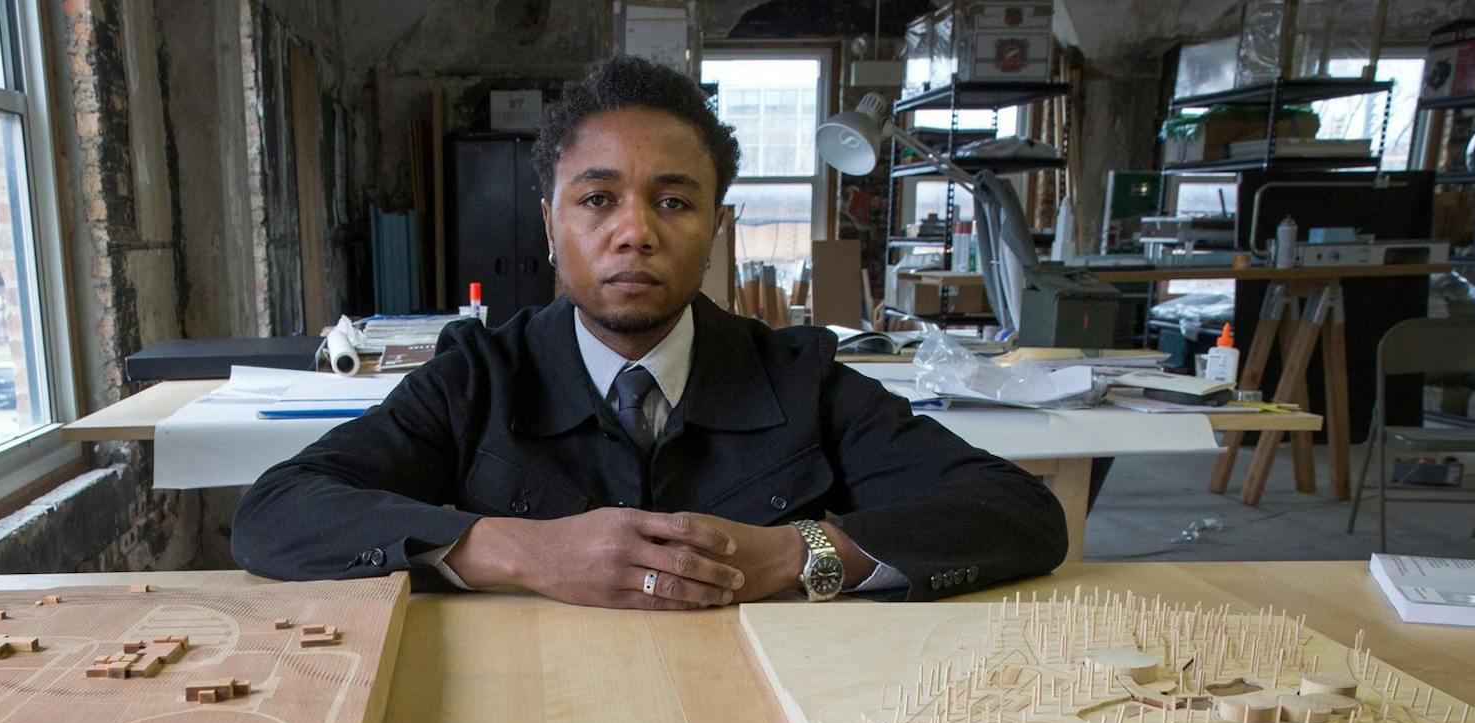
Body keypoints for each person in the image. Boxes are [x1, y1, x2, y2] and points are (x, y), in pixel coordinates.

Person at [232, 55, 1066, 609]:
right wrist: (523, 552)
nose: (634, 232)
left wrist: (797, 552)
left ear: (716, 229)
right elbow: (276, 512)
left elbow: (1020, 513)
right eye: (597, 200)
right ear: (550, 225)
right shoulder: (478, 377)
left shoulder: (799, 378)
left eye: (673, 201)